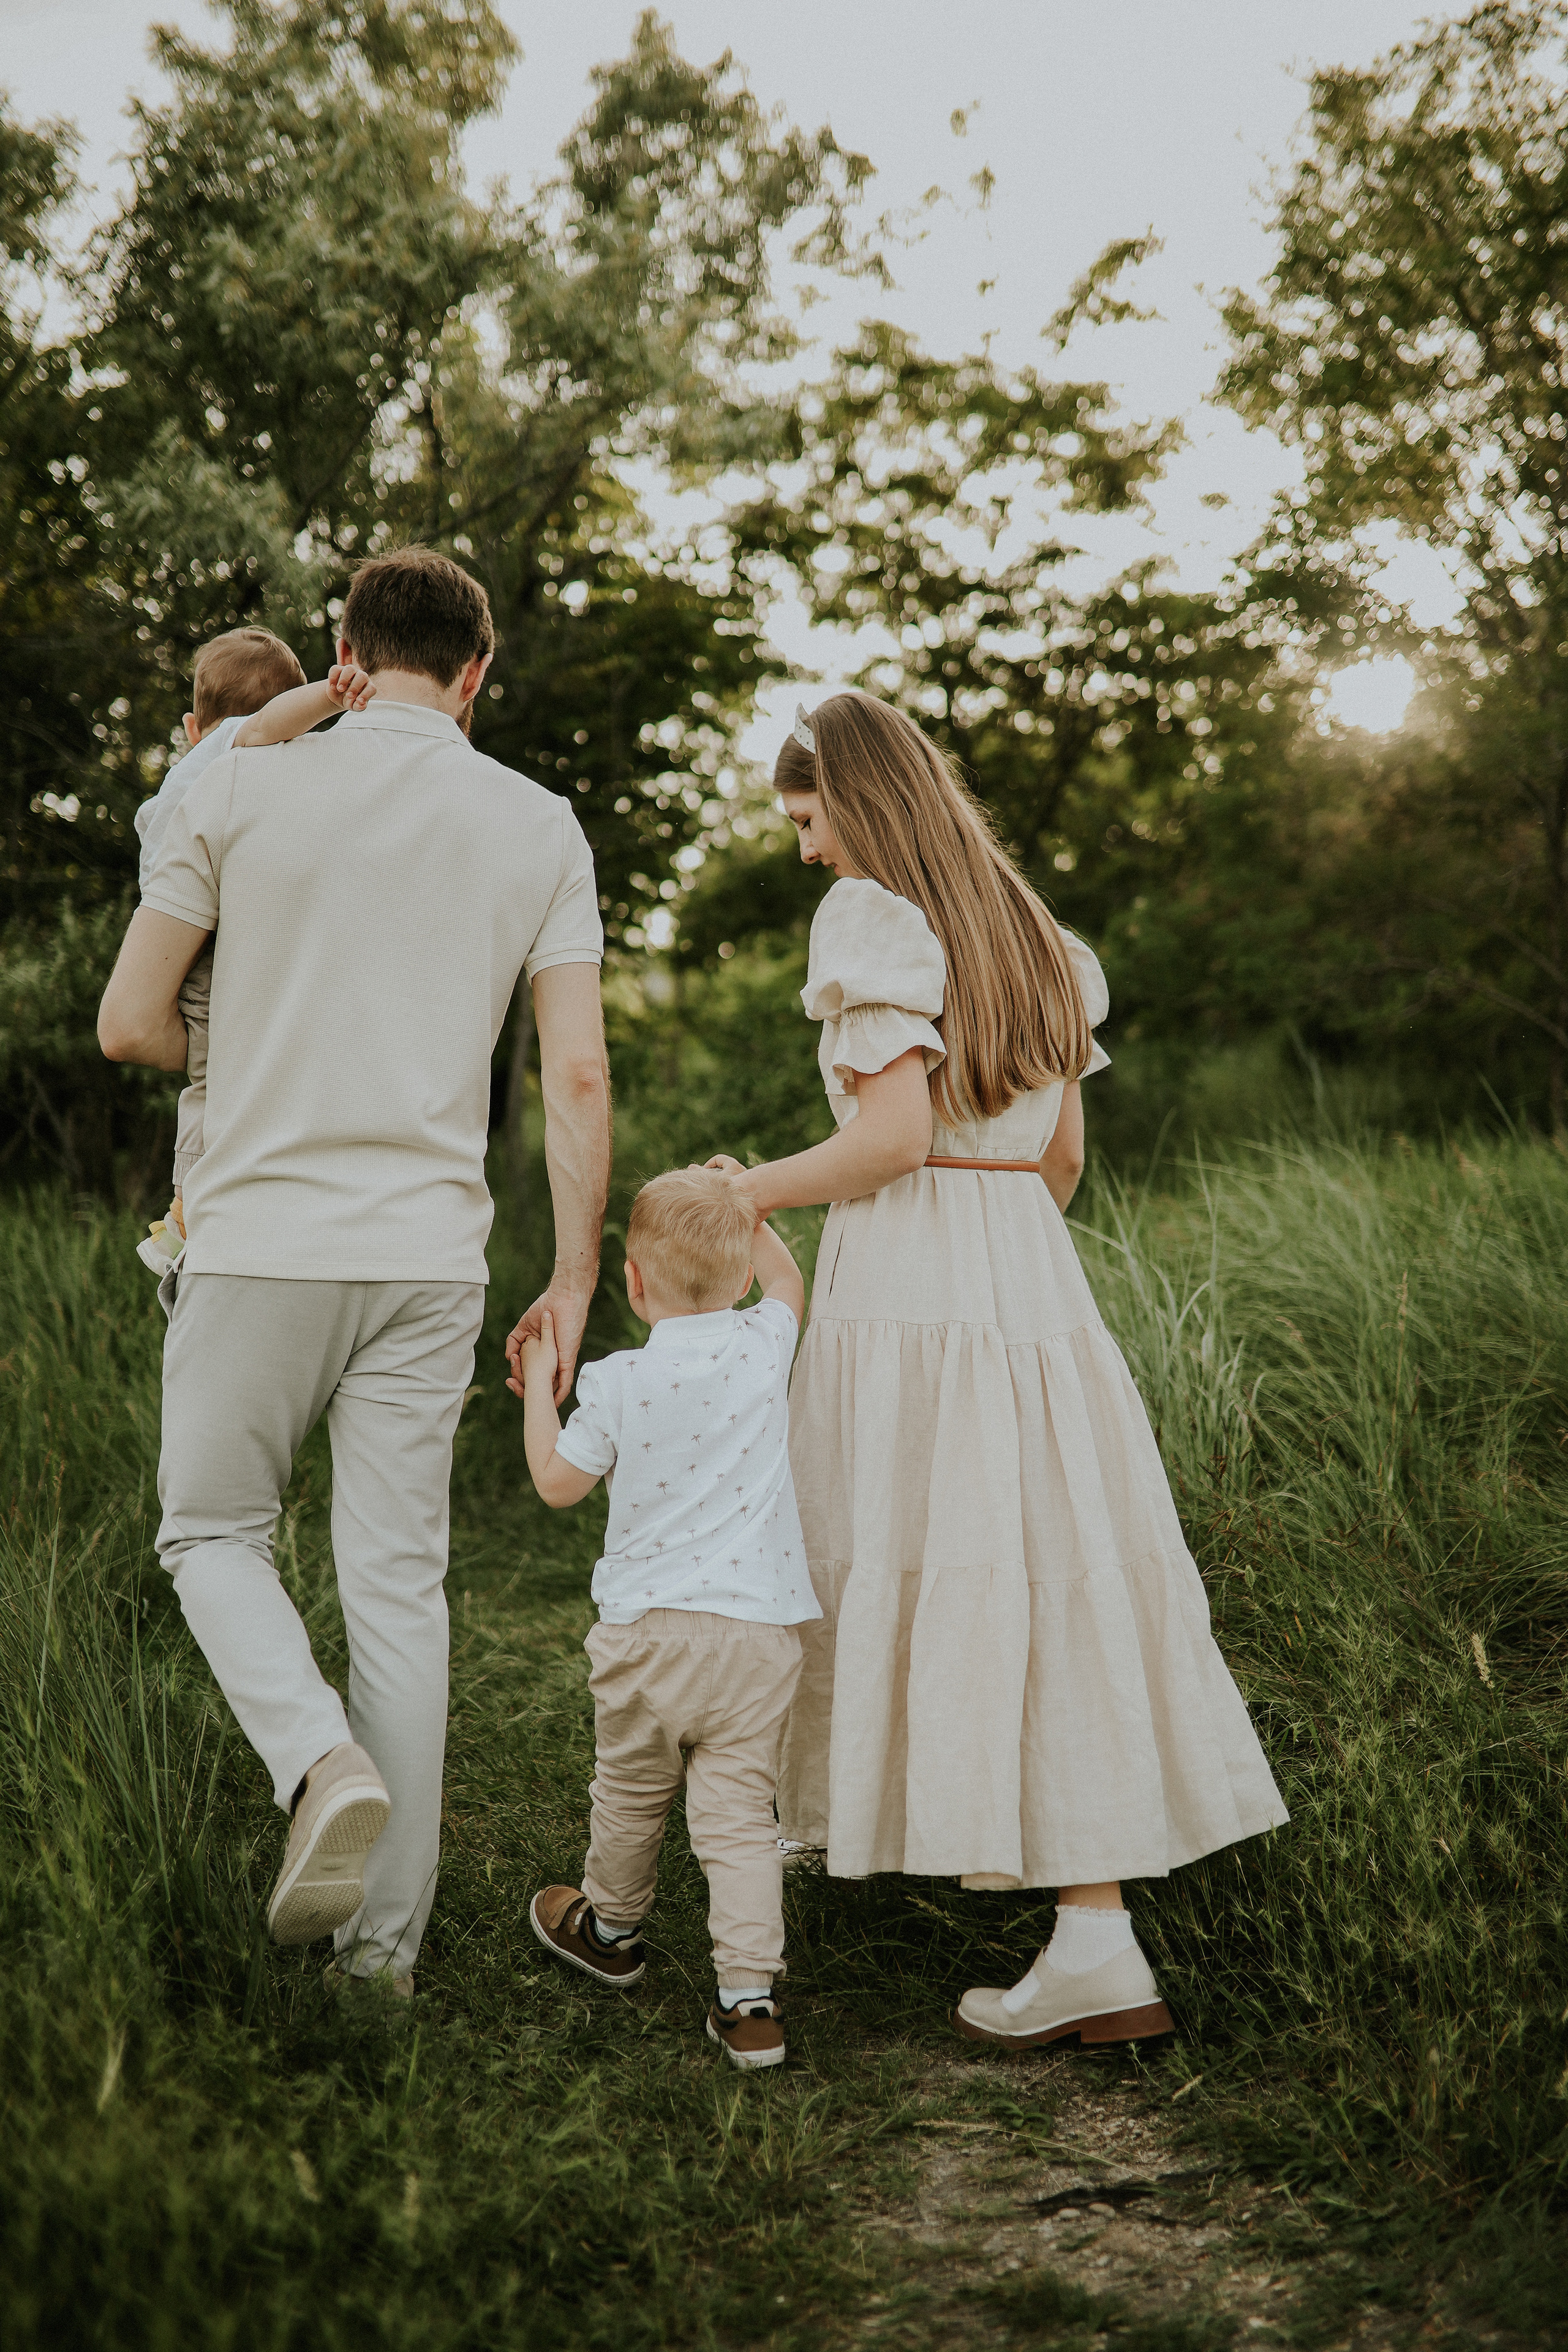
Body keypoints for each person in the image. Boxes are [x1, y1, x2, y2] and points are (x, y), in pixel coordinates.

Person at [707, 691, 1287, 2052]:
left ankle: (819, 1844)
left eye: (806, 820)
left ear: (856, 803)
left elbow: (891, 1139)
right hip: (1029, 1285)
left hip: (908, 1280)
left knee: (892, 1546)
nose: (803, 851)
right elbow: (1060, 1163)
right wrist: (1000, 1255)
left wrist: (746, 1193)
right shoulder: (1040, 939)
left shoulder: (866, 919)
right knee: (1035, 1572)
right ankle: (1094, 1935)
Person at [97, 547, 611, 1996]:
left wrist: (252, 1045)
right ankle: (377, 1969)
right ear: (477, 671)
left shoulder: (236, 789)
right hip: (429, 1257)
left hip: (260, 1234)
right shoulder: (537, 823)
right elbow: (572, 1072)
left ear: (344, 648)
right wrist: (572, 1279)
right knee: (397, 1587)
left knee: (210, 1532)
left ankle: (317, 1762)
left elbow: (130, 1023)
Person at [515, 1166, 818, 2071]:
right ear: (738, 1280)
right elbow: (789, 1282)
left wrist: (539, 1384)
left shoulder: (616, 1382)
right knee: (736, 1822)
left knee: (633, 1792)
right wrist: (747, 1199)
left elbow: (556, 1485)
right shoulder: (767, 1344)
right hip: (759, 1638)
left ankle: (609, 1930)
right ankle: (749, 2000)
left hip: (647, 1637)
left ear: (635, 1285)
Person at [131, 627, 377, 1275]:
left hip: (188, 937)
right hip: (203, 950)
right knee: (218, 1079)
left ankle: (194, 1209)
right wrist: (331, 693)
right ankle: (188, 1218)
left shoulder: (200, 763)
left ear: (190, 722)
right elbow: (263, 725)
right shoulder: (230, 751)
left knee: (216, 1082)